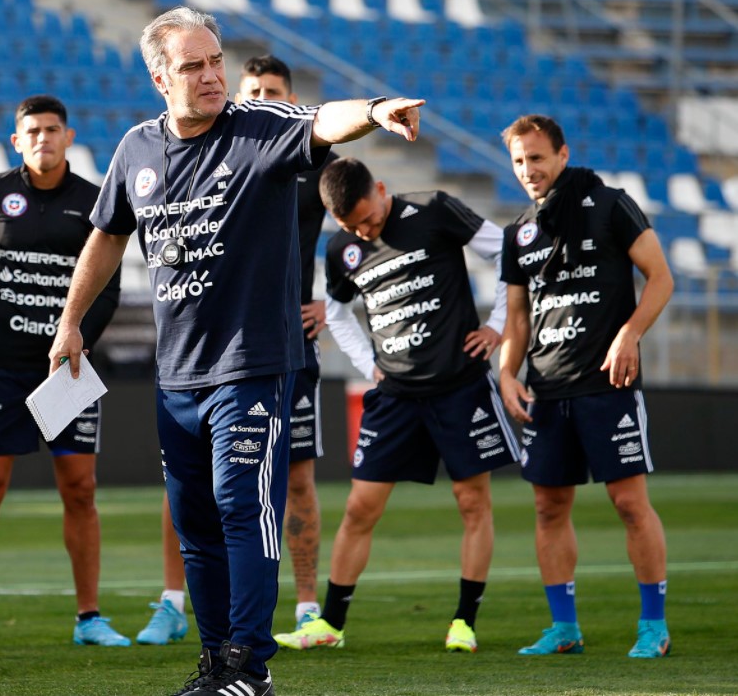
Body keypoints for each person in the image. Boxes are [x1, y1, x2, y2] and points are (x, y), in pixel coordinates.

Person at [48, 5, 422, 696]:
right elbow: (106, 235)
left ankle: (251, 663)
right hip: (177, 373)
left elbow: (320, 120)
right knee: (194, 522)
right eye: (194, 65)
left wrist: (374, 109)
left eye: (216, 59)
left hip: (252, 366)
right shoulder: (136, 149)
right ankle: (217, 660)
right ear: (161, 78)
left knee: (240, 506)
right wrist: (72, 319)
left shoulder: (259, 128)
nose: (213, 74)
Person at [275, 156, 518, 655]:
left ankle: (463, 622)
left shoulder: (436, 209)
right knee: (360, 507)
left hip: (460, 385)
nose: (363, 231)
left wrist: (498, 324)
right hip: (396, 394)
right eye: (351, 225)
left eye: (368, 218)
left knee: (472, 502)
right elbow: (336, 313)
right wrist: (370, 366)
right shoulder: (342, 246)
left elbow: (508, 252)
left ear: (382, 189)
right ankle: (330, 624)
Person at [137, 55, 337, 647]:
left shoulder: (295, 160)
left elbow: (360, 231)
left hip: (272, 348)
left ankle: (297, 612)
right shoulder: (209, 150)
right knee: (195, 499)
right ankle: (180, 605)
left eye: (273, 94)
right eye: (253, 93)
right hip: (194, 356)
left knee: (284, 486)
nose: (257, 101)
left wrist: (334, 303)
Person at [0, 95, 127, 650]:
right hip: (2, 366)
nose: (43, 138)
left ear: (69, 137)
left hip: (67, 369)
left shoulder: (95, 202)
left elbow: (110, 285)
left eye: (53, 129)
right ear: (16, 141)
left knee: (80, 488)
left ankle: (89, 617)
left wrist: (80, 342)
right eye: (32, 131)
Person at [497, 114, 674, 659]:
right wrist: (506, 373)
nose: (529, 169)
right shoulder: (518, 232)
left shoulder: (611, 203)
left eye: (537, 157)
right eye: (520, 160)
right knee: (549, 509)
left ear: (563, 154)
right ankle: (564, 627)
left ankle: (653, 626)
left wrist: (630, 334)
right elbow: (518, 320)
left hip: (608, 383)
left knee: (628, 501)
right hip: (546, 391)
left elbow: (662, 277)